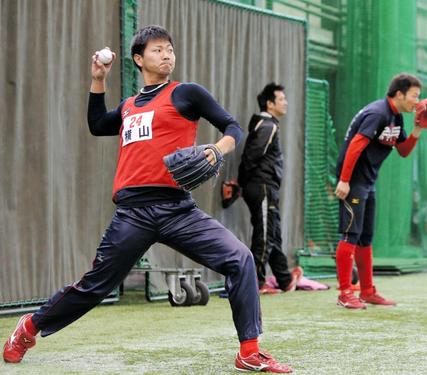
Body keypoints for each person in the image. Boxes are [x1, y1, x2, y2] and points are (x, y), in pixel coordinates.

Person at [3, 26, 293, 373]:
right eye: (157, 50)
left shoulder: (187, 93)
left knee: (241, 259)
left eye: (169, 49)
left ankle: (249, 350)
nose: (166, 54)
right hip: (133, 213)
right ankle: (29, 328)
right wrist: (98, 79)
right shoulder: (128, 106)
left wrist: (219, 149)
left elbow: (233, 127)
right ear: (139, 59)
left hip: (178, 209)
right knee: (95, 287)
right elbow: (97, 124)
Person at [334, 73, 424, 309]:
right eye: (414, 96)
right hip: (353, 180)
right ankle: (345, 292)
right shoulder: (378, 113)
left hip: (368, 181)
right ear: (399, 94)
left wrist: (417, 129)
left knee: (366, 237)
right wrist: (344, 180)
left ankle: (367, 291)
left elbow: (403, 150)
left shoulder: (396, 117)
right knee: (350, 234)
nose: (417, 101)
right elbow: (355, 145)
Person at [238, 83, 302, 295]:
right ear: (270, 104)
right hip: (262, 187)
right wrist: (241, 184)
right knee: (264, 236)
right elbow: (251, 157)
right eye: (281, 99)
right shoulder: (268, 127)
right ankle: (255, 283)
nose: (286, 103)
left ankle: (284, 280)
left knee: (272, 234)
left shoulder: (267, 125)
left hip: (266, 188)